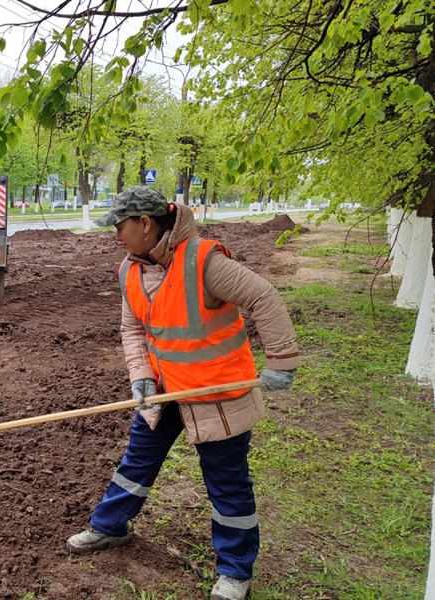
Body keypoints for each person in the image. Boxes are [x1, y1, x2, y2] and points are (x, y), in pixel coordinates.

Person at [66, 186, 300, 600]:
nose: (115, 235)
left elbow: (263, 297)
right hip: (163, 391)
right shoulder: (129, 269)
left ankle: (235, 574)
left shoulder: (204, 261)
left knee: (227, 484)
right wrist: (140, 374)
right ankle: (108, 528)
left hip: (217, 394)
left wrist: (281, 362)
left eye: (120, 226)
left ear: (145, 223)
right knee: (136, 462)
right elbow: (133, 329)